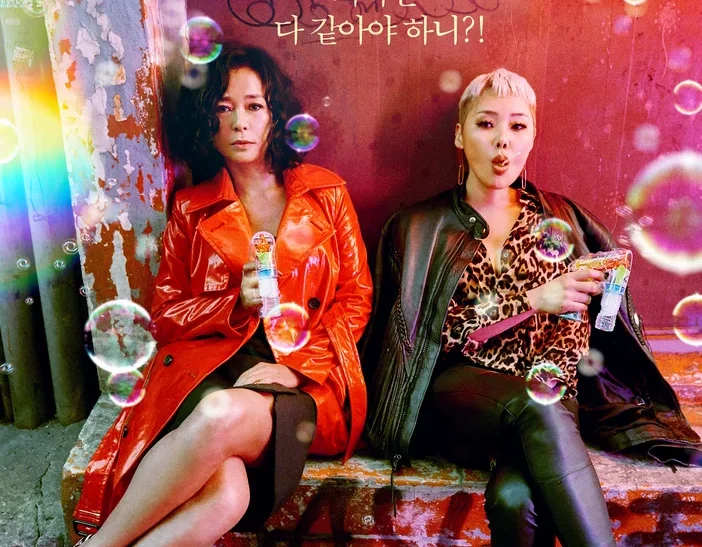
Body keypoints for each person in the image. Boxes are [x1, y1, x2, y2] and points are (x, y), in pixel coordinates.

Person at [362, 68, 701, 547]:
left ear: (532, 136)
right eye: (486, 124)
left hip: (547, 399)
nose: (502, 140)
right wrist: (531, 301)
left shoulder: (564, 219)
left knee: (515, 499)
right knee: (534, 406)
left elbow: (584, 335)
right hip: (458, 398)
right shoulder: (418, 227)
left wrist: (597, 294)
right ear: (460, 135)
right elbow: (427, 336)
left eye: (517, 126)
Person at [72, 45, 372, 547]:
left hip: (306, 383)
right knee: (226, 498)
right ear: (206, 121)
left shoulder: (326, 194)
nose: (239, 122)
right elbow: (165, 315)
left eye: (254, 106)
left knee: (220, 417)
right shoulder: (191, 208)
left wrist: (296, 369)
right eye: (223, 107)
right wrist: (234, 304)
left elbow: (356, 298)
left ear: (275, 115)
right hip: (213, 368)